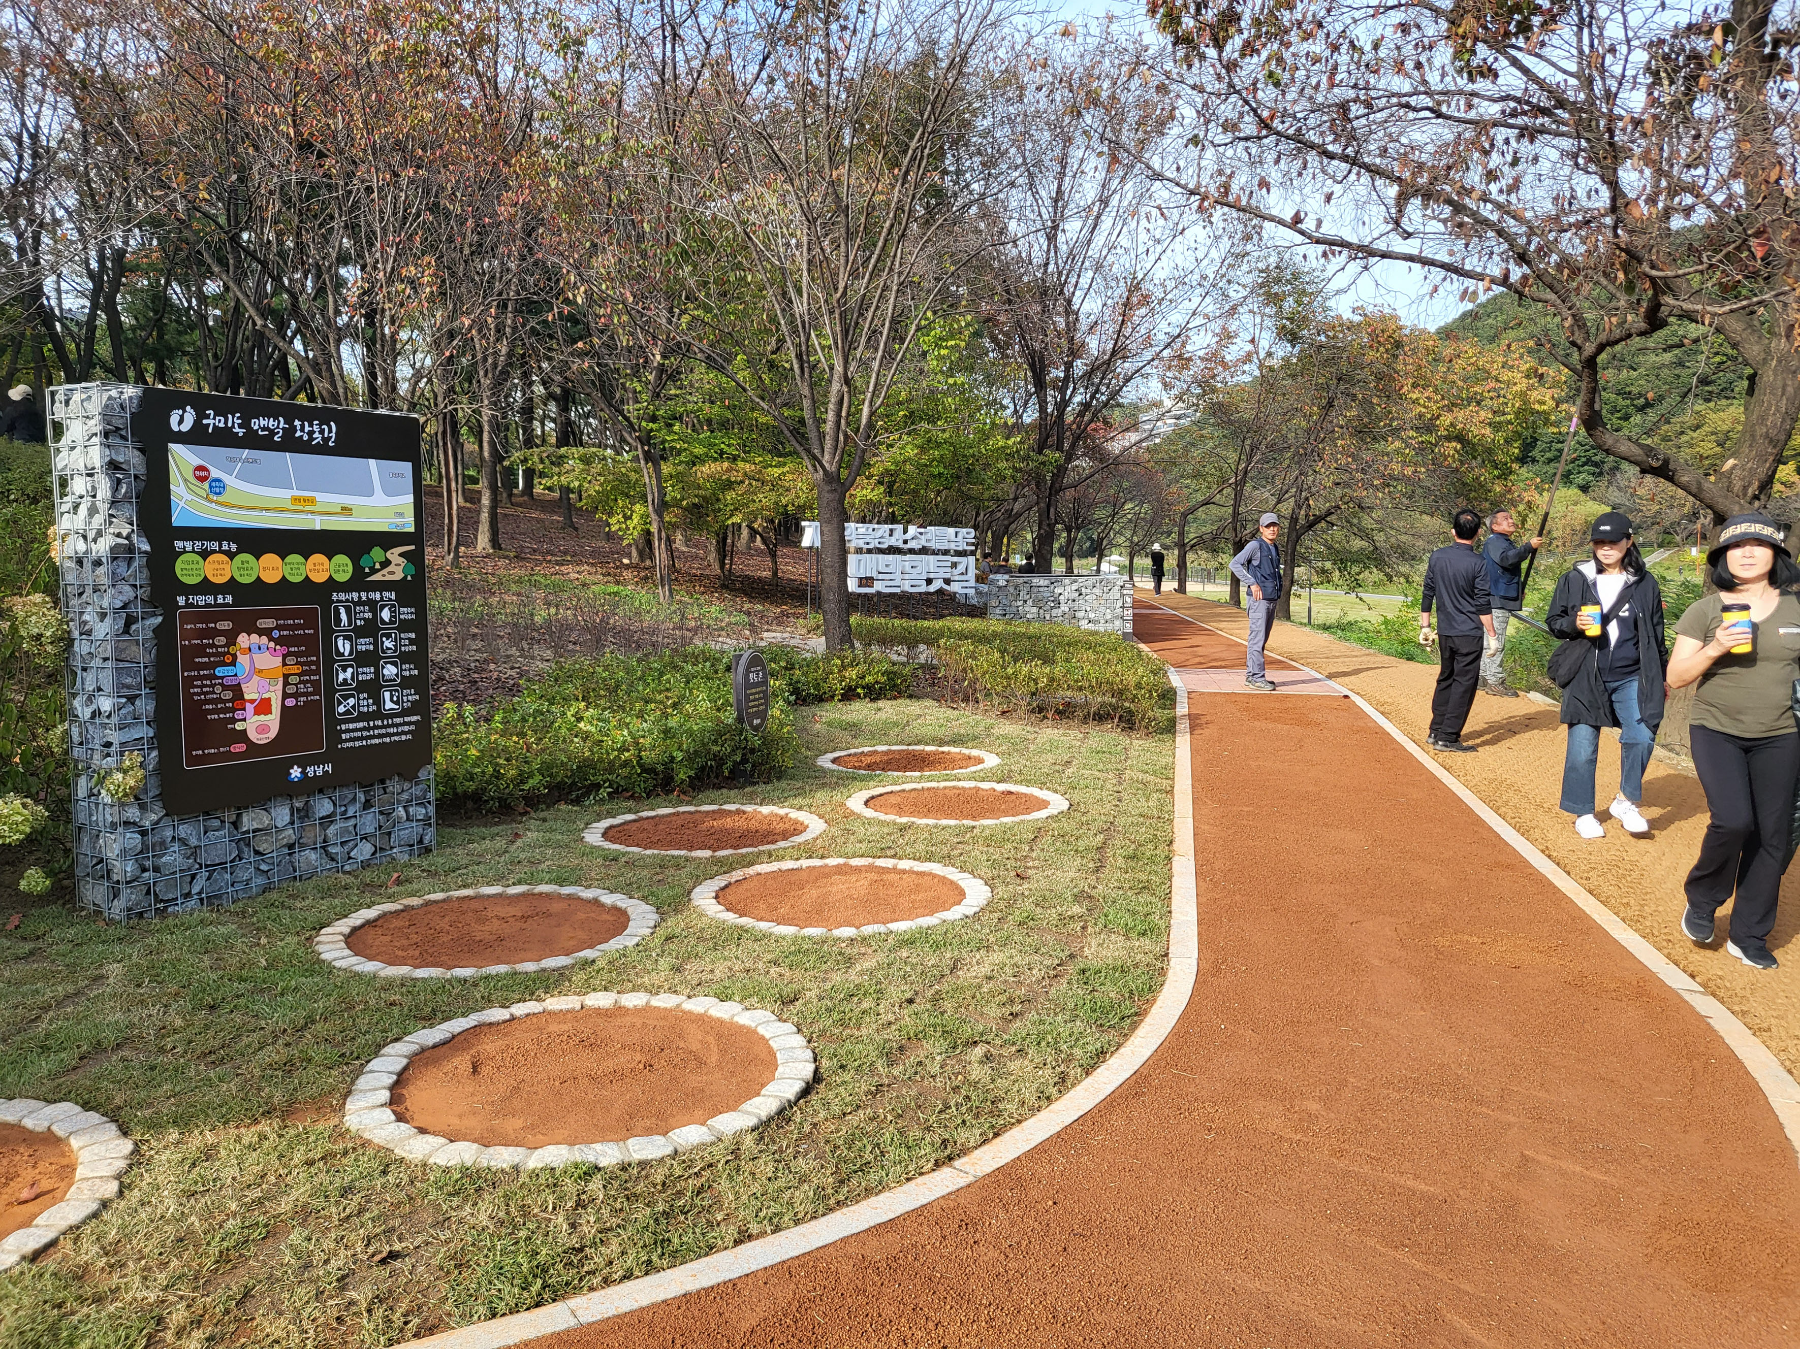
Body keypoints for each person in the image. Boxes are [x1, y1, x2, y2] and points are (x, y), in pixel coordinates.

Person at [1666, 512, 1800, 971]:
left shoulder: (1796, 609)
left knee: (1773, 836)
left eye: (1758, 545)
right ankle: (1703, 899)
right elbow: (1678, 677)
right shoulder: (1705, 610)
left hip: (1782, 735)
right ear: (1722, 557)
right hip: (1716, 729)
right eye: (1735, 546)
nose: (1746, 553)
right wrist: (1717, 646)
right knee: (1734, 820)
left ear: (1776, 555)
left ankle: (1748, 934)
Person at [1546, 512, 1665, 840]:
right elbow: (1554, 621)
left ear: (1629, 542)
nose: (1606, 548)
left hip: (1632, 675)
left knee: (1642, 736)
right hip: (1586, 674)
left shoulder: (1644, 583)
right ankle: (1583, 811)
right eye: (1599, 542)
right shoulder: (1576, 578)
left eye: (1613, 542)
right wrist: (1574, 625)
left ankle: (1625, 801)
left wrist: (1661, 676)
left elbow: (1656, 633)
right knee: (1583, 747)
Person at [1419, 508, 1497, 752]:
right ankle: (1448, 737)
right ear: (1478, 534)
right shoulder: (1478, 563)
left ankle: (1435, 729)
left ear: (1453, 532)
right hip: (1469, 632)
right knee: (1464, 683)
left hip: (1446, 631)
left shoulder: (1437, 557)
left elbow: (1428, 591)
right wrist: (1492, 635)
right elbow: (1482, 603)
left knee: (1446, 677)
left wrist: (1425, 625)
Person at [1480, 508, 1543, 696]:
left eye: (1511, 517)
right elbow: (1507, 560)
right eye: (1505, 519)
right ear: (1495, 526)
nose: (1511, 520)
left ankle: (1483, 676)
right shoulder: (1496, 542)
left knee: (1488, 639)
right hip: (1497, 598)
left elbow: (1504, 569)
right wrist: (1528, 547)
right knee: (1496, 638)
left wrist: (1517, 590)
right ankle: (1495, 680)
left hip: (1498, 595)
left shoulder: (1500, 541)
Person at [1229, 512, 1283, 692]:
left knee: (1261, 639)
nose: (1272, 529)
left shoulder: (1274, 547)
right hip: (1259, 600)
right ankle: (1257, 678)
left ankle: (1252, 675)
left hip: (1270, 598)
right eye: (1268, 526)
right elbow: (1235, 564)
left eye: (1274, 525)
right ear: (1261, 528)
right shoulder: (1255, 545)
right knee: (1257, 639)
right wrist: (1252, 583)